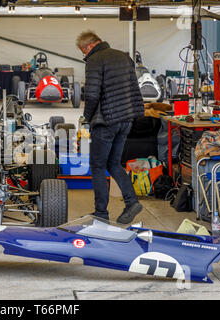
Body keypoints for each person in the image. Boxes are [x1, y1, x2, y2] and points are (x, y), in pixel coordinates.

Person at [76, 31, 144, 224]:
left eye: (83, 51)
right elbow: (134, 89)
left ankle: (101, 214)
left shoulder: (95, 60)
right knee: (113, 163)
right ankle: (131, 202)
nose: (84, 55)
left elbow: (91, 94)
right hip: (126, 120)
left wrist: (87, 117)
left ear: (88, 46)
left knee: (97, 166)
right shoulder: (124, 57)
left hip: (106, 121)